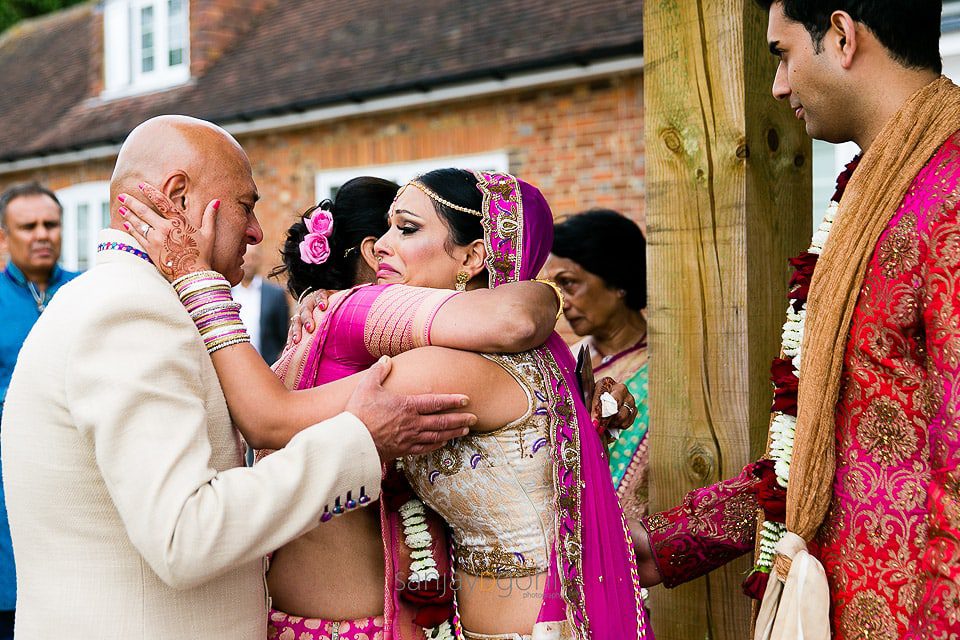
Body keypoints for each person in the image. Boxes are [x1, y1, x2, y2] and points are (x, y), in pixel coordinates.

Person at [0, 115, 477, 640]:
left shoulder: (112, 298)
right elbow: (187, 535)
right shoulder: (132, 311)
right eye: (246, 205)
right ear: (179, 195)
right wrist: (358, 440)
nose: (257, 231)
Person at [121, 168, 651, 640]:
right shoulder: (534, 354)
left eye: (408, 228)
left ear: (473, 256)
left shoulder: (448, 362)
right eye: (387, 228)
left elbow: (268, 419)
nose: (383, 248)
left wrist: (199, 282)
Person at [633, 2, 960, 639]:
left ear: (841, 36)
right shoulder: (882, 192)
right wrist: (671, 544)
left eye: (782, 54)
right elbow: (829, 444)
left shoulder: (949, 195)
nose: (779, 85)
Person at [0, 182, 79, 639]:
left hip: (74, 474)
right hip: (5, 479)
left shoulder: (87, 294)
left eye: (50, 224)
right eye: (27, 226)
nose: (41, 234)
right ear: (5, 236)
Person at [542, 209, 649, 519]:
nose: (562, 302)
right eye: (554, 288)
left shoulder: (666, 366)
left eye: (569, 283)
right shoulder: (566, 360)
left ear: (617, 281)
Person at [231, 242, 290, 366]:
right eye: (246, 257)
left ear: (259, 259)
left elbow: (283, 336)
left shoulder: (275, 294)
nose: (249, 262)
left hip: (267, 368)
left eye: (254, 257)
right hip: (233, 368)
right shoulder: (227, 293)